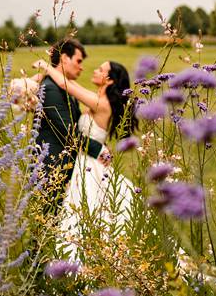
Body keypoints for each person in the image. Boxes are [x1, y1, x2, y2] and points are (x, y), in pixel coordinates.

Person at [42, 58, 138, 261]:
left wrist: (46, 66)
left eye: (100, 69)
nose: (94, 70)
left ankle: (81, 259)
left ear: (109, 80)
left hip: (90, 164)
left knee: (86, 208)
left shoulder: (101, 103)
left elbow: (64, 84)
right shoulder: (97, 98)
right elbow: (71, 83)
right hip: (85, 160)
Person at [32, 39, 106, 218]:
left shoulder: (62, 87)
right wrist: (98, 149)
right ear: (65, 58)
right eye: (79, 61)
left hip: (68, 169)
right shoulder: (50, 89)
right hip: (51, 169)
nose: (81, 67)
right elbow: (67, 133)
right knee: (47, 227)